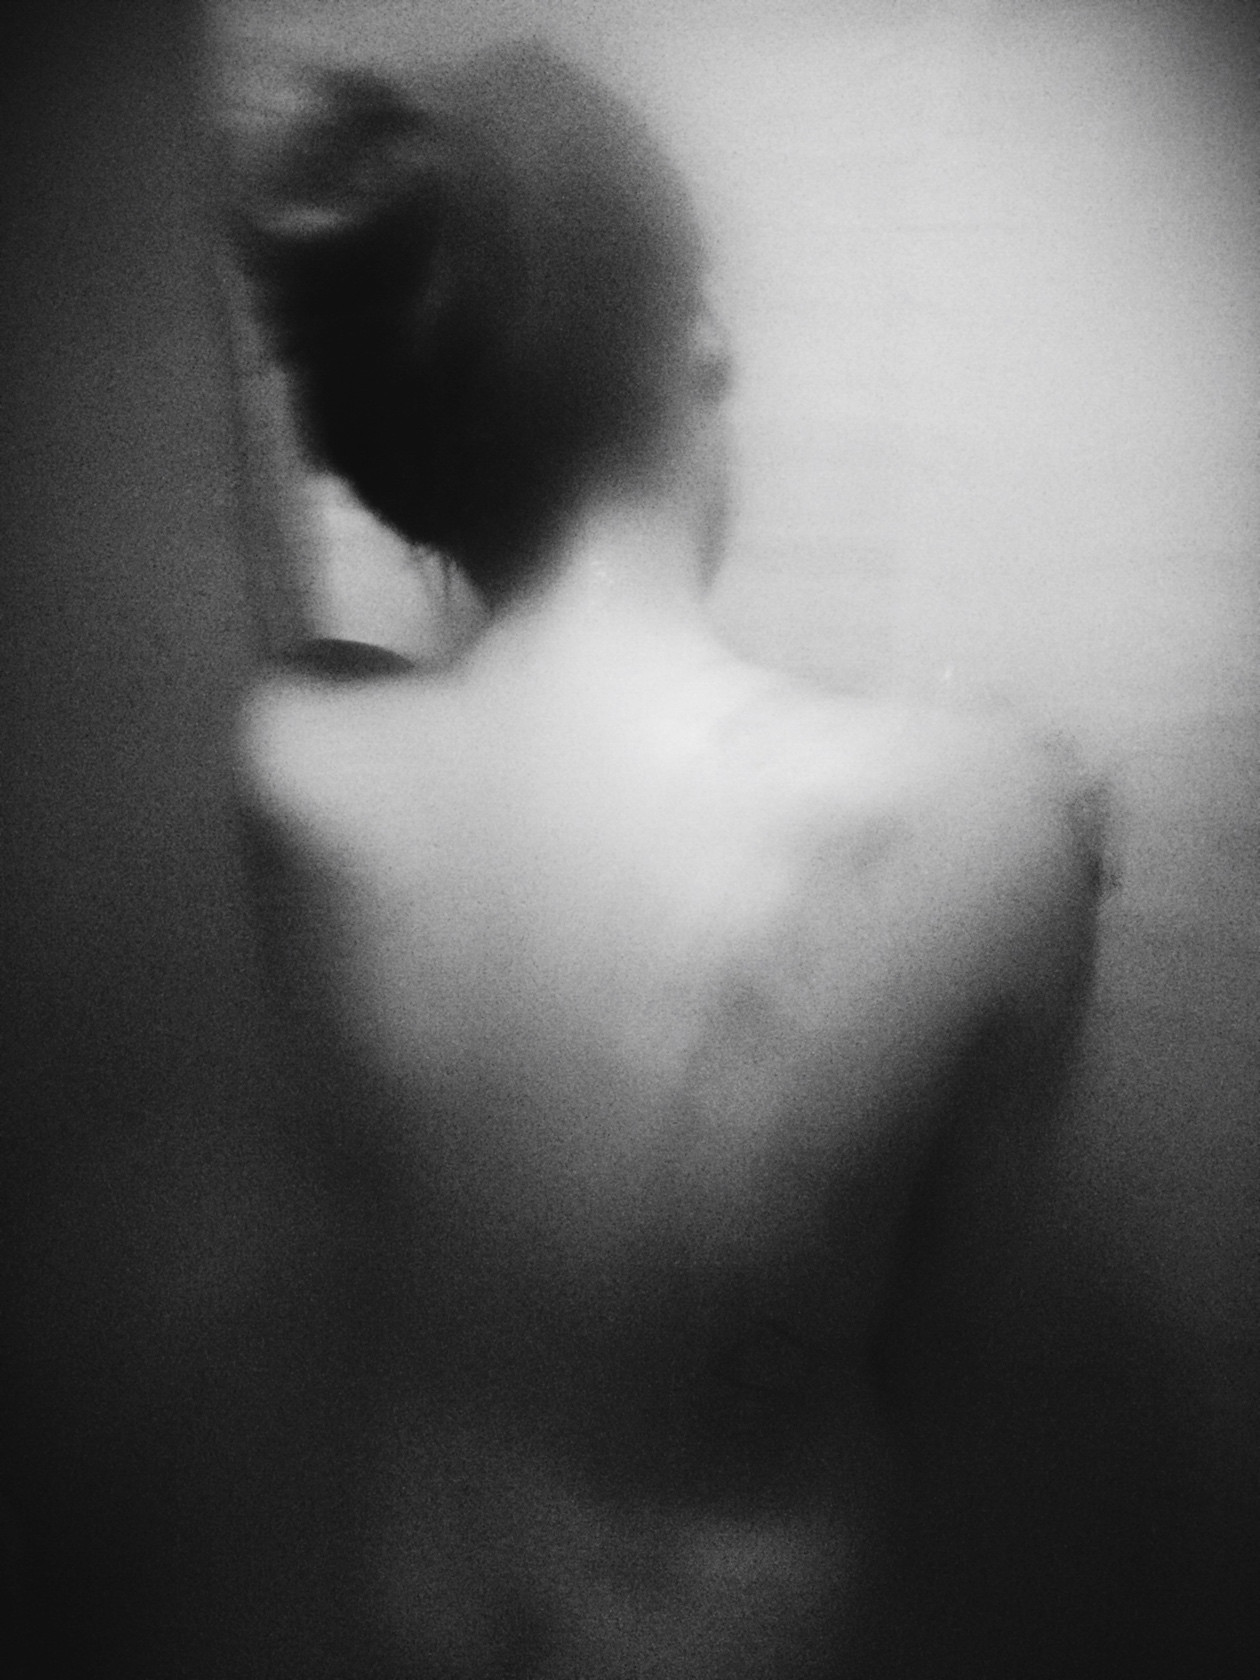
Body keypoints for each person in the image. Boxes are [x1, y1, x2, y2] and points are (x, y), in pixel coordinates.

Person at [229, 37, 1106, 1679]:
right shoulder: (984, 822)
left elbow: (371, 1189)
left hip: (419, 1606)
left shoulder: (286, 758)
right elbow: (932, 1370)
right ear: (701, 336)